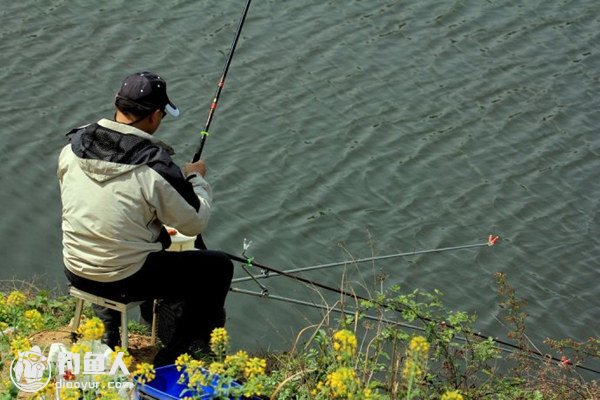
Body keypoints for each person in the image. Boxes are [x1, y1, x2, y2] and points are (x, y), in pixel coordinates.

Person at [57, 71, 234, 365]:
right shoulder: (154, 166)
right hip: (123, 279)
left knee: (109, 234)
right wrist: (195, 178)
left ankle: (108, 334)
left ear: (117, 103)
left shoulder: (72, 147)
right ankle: (180, 350)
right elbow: (194, 222)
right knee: (217, 267)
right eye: (163, 114)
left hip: (75, 268)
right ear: (154, 116)